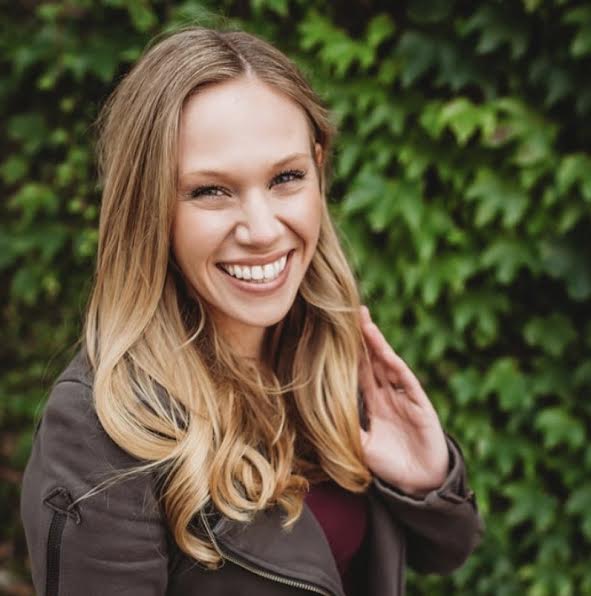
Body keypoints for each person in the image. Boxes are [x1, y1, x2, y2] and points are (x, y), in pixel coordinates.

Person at [20, 26, 484, 596]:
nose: (262, 230)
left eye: (286, 178)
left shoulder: (330, 355)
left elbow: (448, 549)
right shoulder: (102, 425)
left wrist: (425, 481)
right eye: (210, 191)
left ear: (318, 170)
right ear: (149, 207)